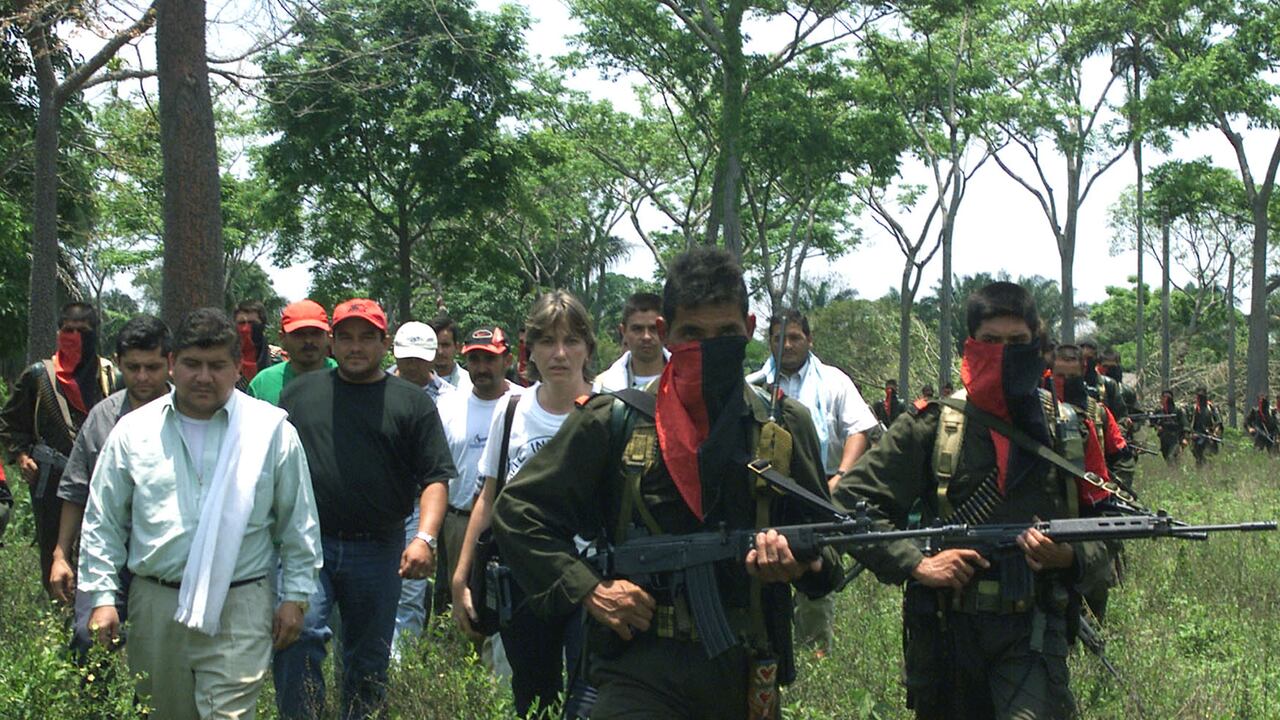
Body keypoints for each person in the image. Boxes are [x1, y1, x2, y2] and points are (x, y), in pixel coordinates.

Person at [491, 249, 842, 719]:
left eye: (726, 333)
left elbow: (828, 554)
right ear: (664, 333)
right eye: (692, 334)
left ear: (752, 329)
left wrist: (803, 564)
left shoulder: (781, 427)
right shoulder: (616, 419)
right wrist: (590, 590)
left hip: (744, 670)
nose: (709, 346)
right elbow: (518, 512)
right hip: (639, 667)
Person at [834, 282, 1116, 720]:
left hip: (1033, 631)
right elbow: (851, 502)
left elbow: (1110, 530)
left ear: (1036, 346)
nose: (1004, 353)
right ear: (970, 345)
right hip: (947, 632)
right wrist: (916, 562)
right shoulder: (930, 425)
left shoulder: (1068, 431)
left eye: (1017, 342)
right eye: (990, 342)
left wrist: (1069, 555)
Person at [78, 308, 321, 719]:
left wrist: (296, 597)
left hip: (241, 602)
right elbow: (102, 523)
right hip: (155, 605)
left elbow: (298, 522)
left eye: (217, 366)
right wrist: (101, 598)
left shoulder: (270, 431)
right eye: (192, 364)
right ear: (173, 364)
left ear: (237, 367)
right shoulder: (133, 432)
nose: (204, 377)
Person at [273, 298, 456, 720]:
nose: (356, 347)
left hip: (379, 549)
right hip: (309, 547)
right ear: (332, 342)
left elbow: (435, 478)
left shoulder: (412, 403)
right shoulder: (300, 393)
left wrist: (424, 538)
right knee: (297, 640)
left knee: (368, 662)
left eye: (367, 338)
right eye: (347, 338)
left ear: (384, 343)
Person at [452, 291, 599, 718]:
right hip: (522, 579)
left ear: (588, 347)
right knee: (533, 698)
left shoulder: (606, 409)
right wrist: (462, 576)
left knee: (587, 698)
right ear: (529, 348)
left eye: (571, 341)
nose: (559, 353)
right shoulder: (512, 410)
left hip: (589, 575)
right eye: (547, 341)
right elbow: (488, 496)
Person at [745, 307, 878, 653]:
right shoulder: (753, 387)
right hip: (766, 497)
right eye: (778, 339)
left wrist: (841, 478)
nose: (786, 345)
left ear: (809, 339)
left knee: (813, 569)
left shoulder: (834, 381)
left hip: (821, 493)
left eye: (794, 338)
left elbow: (859, 429)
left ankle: (815, 655)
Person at [49, 315, 172, 656]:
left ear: (170, 363)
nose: (143, 377)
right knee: (90, 640)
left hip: (166, 559)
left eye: (152, 367)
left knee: (159, 653)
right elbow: (76, 490)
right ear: (117, 363)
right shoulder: (102, 418)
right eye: (133, 367)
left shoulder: (189, 417)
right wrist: (61, 553)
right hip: (108, 552)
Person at [0, 301, 119, 595]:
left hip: (101, 475)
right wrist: (21, 455)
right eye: (68, 330)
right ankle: (58, 612)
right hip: (50, 477)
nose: (74, 338)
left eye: (83, 331)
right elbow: (9, 421)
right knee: (54, 547)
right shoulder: (39, 376)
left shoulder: (109, 376)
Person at [388, 319, 454, 653]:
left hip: (421, 505)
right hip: (378, 506)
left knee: (411, 594)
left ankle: (400, 672)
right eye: (407, 357)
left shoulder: (451, 399)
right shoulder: (375, 386)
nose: (413, 365)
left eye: (420, 357)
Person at [247, 300, 336, 406]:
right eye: (299, 334)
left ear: (328, 336)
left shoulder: (346, 377)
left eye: (315, 333)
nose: (308, 340)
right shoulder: (263, 383)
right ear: (282, 338)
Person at [593, 292, 669, 392]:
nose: (646, 337)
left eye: (653, 328)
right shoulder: (602, 387)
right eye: (637, 329)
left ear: (665, 330)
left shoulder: (689, 380)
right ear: (623, 331)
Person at [391, 320, 454, 400]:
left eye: (419, 360)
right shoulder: (379, 390)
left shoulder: (450, 397)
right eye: (407, 359)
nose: (413, 366)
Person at [233, 300, 282, 391]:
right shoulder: (224, 361)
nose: (245, 329)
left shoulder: (277, 362)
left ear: (262, 325)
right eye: (241, 323)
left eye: (252, 323)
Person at [431, 315, 472, 394]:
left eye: (445, 345)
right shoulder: (417, 383)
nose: (440, 351)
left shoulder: (470, 385)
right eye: (434, 345)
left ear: (457, 347)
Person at [1187, 387, 1222, 468]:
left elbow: (1218, 422)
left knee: (1210, 459)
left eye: (1202, 394)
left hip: (1209, 437)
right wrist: (1192, 434)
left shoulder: (1211, 407)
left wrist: (1214, 433)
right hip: (1197, 437)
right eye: (1199, 395)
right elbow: (1188, 423)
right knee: (1199, 460)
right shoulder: (1193, 408)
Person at [1154, 390, 1188, 466]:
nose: (1164, 400)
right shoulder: (1159, 411)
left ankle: (1174, 473)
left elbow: (1184, 424)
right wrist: (1157, 427)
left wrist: (1184, 438)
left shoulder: (1178, 411)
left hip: (1175, 438)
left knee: (1171, 457)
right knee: (1167, 458)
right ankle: (1174, 475)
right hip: (1164, 439)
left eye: (1166, 398)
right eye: (1163, 398)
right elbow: (1153, 422)